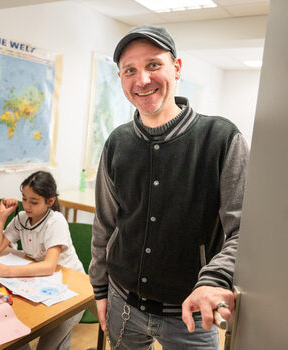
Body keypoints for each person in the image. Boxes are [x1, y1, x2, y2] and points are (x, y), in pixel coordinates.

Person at [88, 24, 249, 349]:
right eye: (130, 70)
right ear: (120, 78)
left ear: (176, 68)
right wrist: (100, 290)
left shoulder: (221, 139)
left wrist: (214, 279)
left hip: (189, 314)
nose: (142, 80)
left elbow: (243, 230)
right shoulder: (117, 142)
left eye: (153, 65)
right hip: (123, 304)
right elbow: (104, 224)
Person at [0, 170, 84, 350]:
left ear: (50, 201)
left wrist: (7, 271)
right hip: (41, 283)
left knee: (47, 346)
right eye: (24, 199)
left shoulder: (56, 221)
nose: (27, 206)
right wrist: (1, 216)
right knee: (12, 334)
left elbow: (48, 267)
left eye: (34, 201)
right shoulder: (23, 218)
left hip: (73, 291)